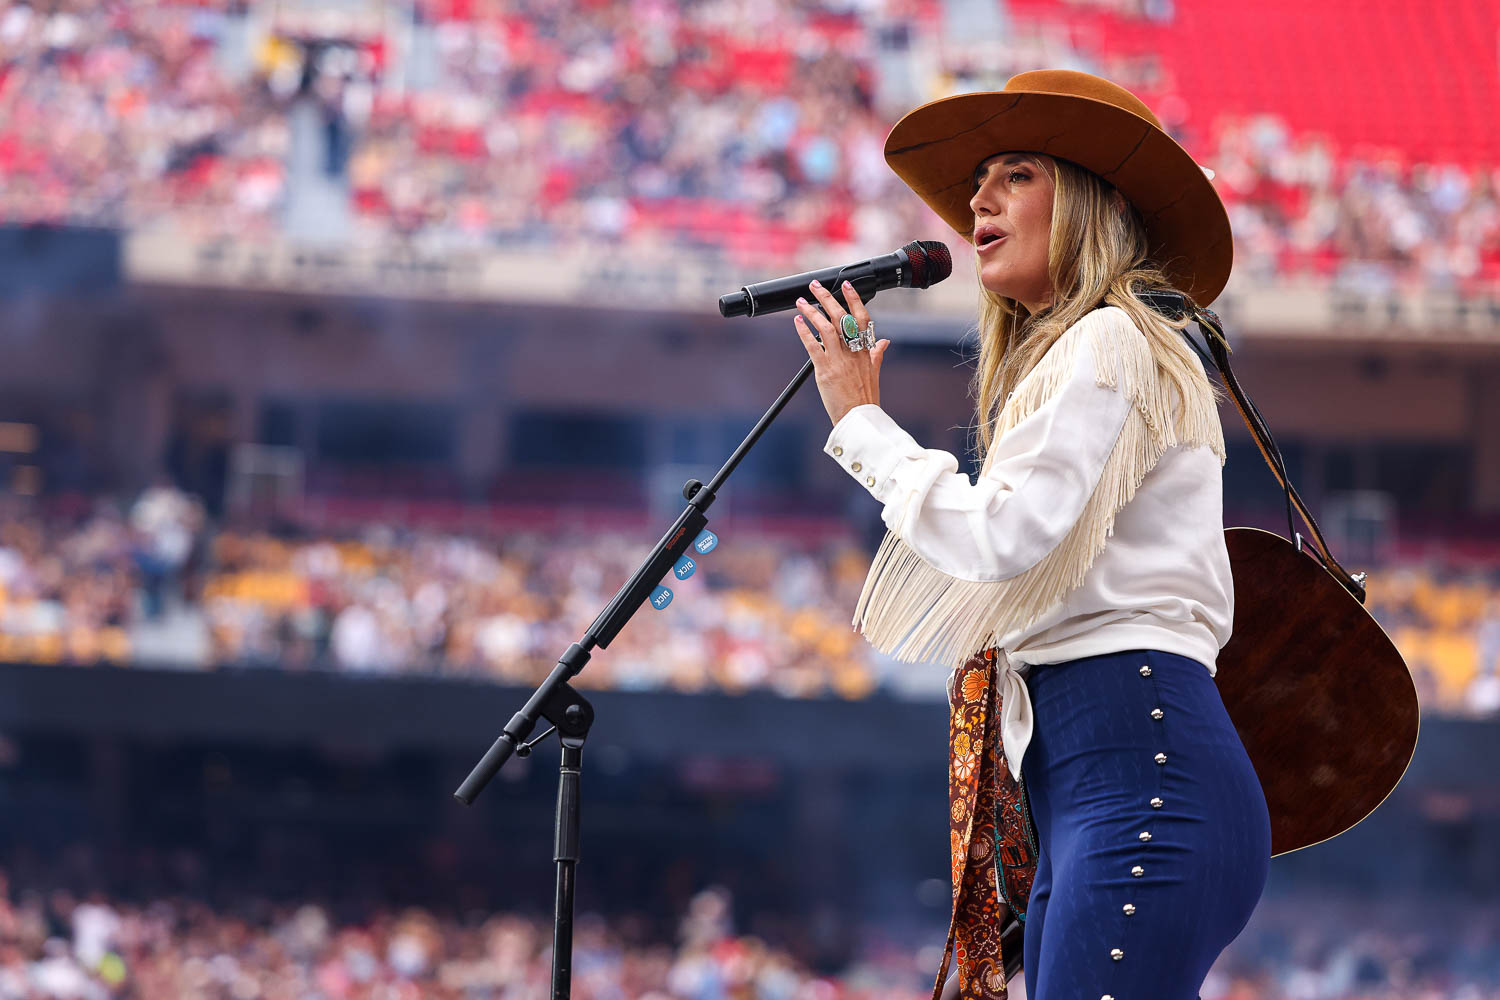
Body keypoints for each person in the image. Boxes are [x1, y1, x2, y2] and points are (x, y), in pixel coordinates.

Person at [791, 70, 1271, 1000]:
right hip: (1117, 787)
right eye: (981, 180)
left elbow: (1003, 535)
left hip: (1140, 778)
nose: (978, 199)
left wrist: (860, 425)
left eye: (1015, 174)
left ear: (1090, 204)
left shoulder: (1108, 340)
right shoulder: (1109, 347)